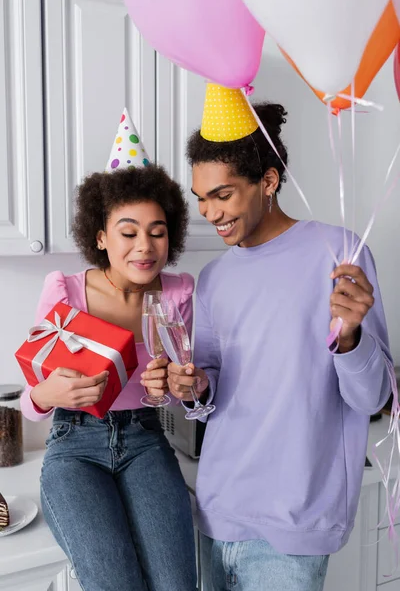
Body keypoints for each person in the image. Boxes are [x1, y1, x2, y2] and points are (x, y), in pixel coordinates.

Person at [167, 84, 392, 591]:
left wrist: (352, 338)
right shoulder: (214, 278)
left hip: (292, 528)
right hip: (215, 510)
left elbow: (371, 397)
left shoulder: (339, 253)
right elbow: (210, 387)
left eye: (223, 195)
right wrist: (194, 386)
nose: (210, 212)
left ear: (268, 181)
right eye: (201, 199)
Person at [20, 152, 197, 590]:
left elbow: (187, 388)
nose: (145, 246)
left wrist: (180, 386)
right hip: (73, 446)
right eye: (129, 232)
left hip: (145, 439)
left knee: (177, 584)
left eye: (158, 233)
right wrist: (47, 395)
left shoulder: (177, 296)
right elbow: (31, 399)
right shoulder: (66, 292)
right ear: (100, 237)